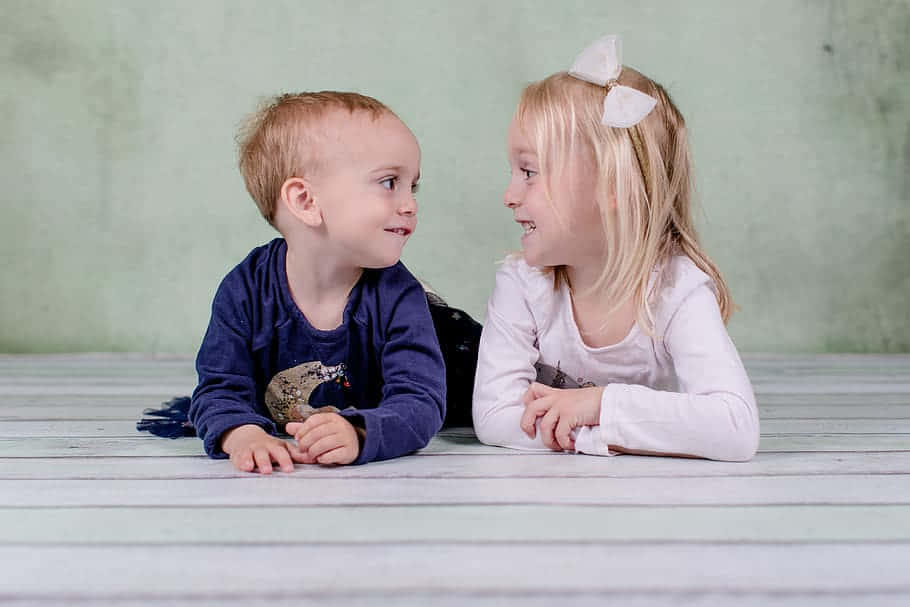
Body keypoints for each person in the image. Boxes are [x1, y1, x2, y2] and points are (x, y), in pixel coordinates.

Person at [472, 35, 759, 461]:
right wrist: (595, 435)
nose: (509, 195)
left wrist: (599, 405)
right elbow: (495, 414)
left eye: (529, 171)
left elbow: (736, 428)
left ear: (609, 186)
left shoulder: (675, 290)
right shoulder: (522, 284)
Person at [189, 91, 446, 473]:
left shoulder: (398, 295)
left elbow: (421, 401)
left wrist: (359, 433)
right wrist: (243, 433)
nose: (410, 204)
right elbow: (218, 388)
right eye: (390, 182)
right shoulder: (245, 292)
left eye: (413, 186)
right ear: (306, 201)